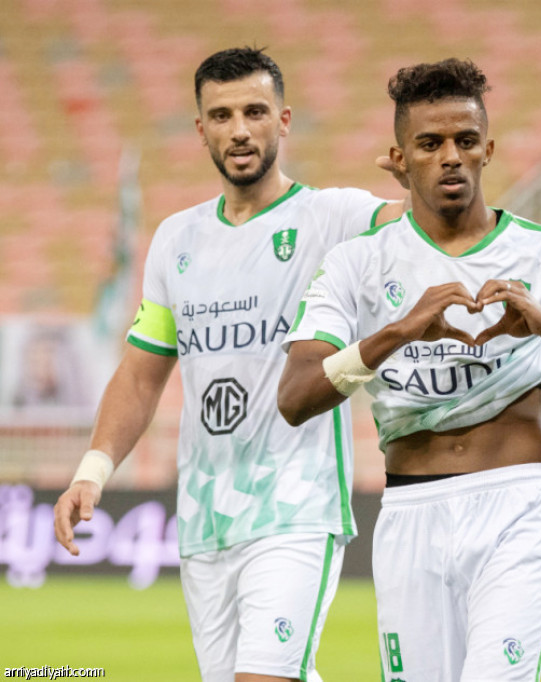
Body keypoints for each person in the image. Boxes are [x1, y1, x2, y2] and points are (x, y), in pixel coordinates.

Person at [278, 58, 541, 681]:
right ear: (401, 159)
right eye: (430, 144)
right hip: (409, 511)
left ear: (487, 151)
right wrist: (398, 332)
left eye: (466, 141)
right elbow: (295, 397)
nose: (450, 157)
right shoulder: (356, 264)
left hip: (516, 506)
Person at [52, 47, 405, 682]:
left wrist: (420, 181)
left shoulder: (332, 217)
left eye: (254, 112)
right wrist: (92, 472)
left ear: (283, 121)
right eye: (222, 115)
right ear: (201, 129)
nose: (239, 129)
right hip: (206, 517)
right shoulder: (175, 239)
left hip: (297, 509)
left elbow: (427, 225)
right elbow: (141, 375)